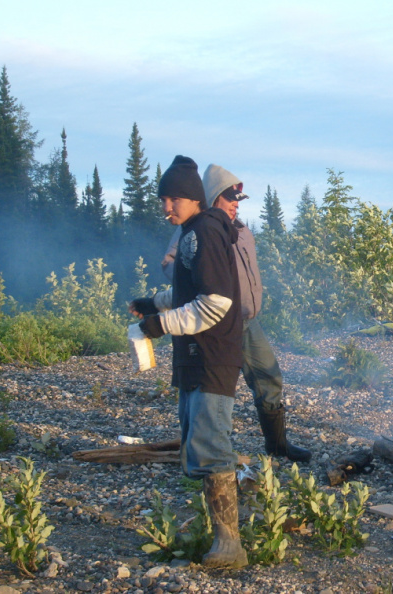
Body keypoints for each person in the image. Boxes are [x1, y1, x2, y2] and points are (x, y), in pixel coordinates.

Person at [129, 155, 247, 569]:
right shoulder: (192, 232)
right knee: (197, 443)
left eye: (172, 198)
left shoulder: (206, 233)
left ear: (194, 198)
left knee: (212, 445)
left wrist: (160, 325)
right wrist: (152, 305)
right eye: (163, 199)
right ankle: (220, 536)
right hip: (196, 358)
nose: (166, 206)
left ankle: (230, 546)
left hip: (212, 356)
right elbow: (188, 294)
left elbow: (215, 302)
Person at [200, 163, 310, 462]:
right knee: (214, 392)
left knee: (270, 376)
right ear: (212, 198)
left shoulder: (242, 230)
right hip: (219, 324)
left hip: (249, 321)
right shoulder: (200, 229)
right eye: (230, 198)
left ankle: (277, 447)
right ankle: (206, 459)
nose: (236, 204)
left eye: (239, 198)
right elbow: (173, 262)